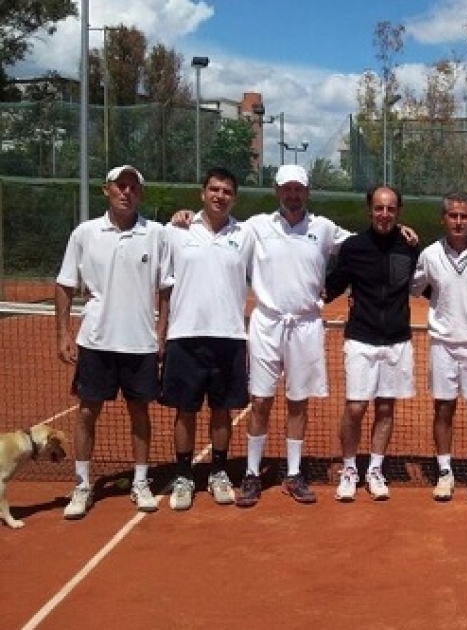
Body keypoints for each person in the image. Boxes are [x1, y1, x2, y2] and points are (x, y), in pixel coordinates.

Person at [236, 164, 354, 507]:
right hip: (267, 323)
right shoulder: (257, 226)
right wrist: (187, 219)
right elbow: (221, 235)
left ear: (308, 192)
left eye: (298, 189)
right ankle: (252, 473)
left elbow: (363, 246)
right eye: (286, 188)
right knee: (260, 400)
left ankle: (293, 473)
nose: (292, 194)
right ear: (276, 191)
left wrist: (401, 232)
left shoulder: (325, 228)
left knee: (298, 402)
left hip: (306, 326)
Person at [55, 164, 166, 519]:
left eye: (133, 187)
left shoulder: (157, 234)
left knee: (140, 413)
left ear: (140, 194)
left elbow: (166, 289)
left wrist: (161, 334)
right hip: (95, 342)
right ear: (107, 189)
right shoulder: (85, 233)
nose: (126, 192)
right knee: (87, 412)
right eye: (120, 185)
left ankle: (140, 481)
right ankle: (83, 484)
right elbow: (65, 284)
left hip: (141, 343)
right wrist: (63, 334)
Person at [157, 167, 253, 511]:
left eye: (227, 191)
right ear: (202, 193)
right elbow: (165, 286)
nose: (220, 196)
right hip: (185, 336)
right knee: (185, 410)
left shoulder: (245, 234)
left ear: (234, 198)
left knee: (222, 410)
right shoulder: (176, 231)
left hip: (229, 336)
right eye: (214, 189)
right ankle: (183, 474)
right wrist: (162, 333)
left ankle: (218, 473)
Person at [324, 185, 419, 502]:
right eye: (379, 208)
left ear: (398, 212)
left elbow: (429, 286)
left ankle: (375, 469)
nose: (384, 214)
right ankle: (349, 468)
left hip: (396, 342)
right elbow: (332, 286)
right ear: (370, 210)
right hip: (361, 340)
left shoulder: (408, 247)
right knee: (355, 408)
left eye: (391, 208)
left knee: (385, 408)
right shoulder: (353, 247)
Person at [411, 192, 467, 503]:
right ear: (443, 218)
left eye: (464, 216)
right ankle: (445, 472)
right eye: (453, 215)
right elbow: (415, 287)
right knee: (443, 409)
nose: (459, 221)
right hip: (443, 344)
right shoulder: (429, 254)